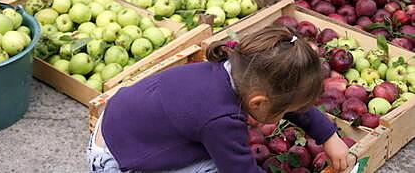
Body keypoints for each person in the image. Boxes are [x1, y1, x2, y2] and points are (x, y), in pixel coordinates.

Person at [87, 25, 349, 173]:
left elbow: (288, 98)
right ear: (258, 102)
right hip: (118, 161)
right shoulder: (221, 119)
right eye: (282, 113)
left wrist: (328, 136)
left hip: (119, 125)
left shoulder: (236, 69)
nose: (283, 117)